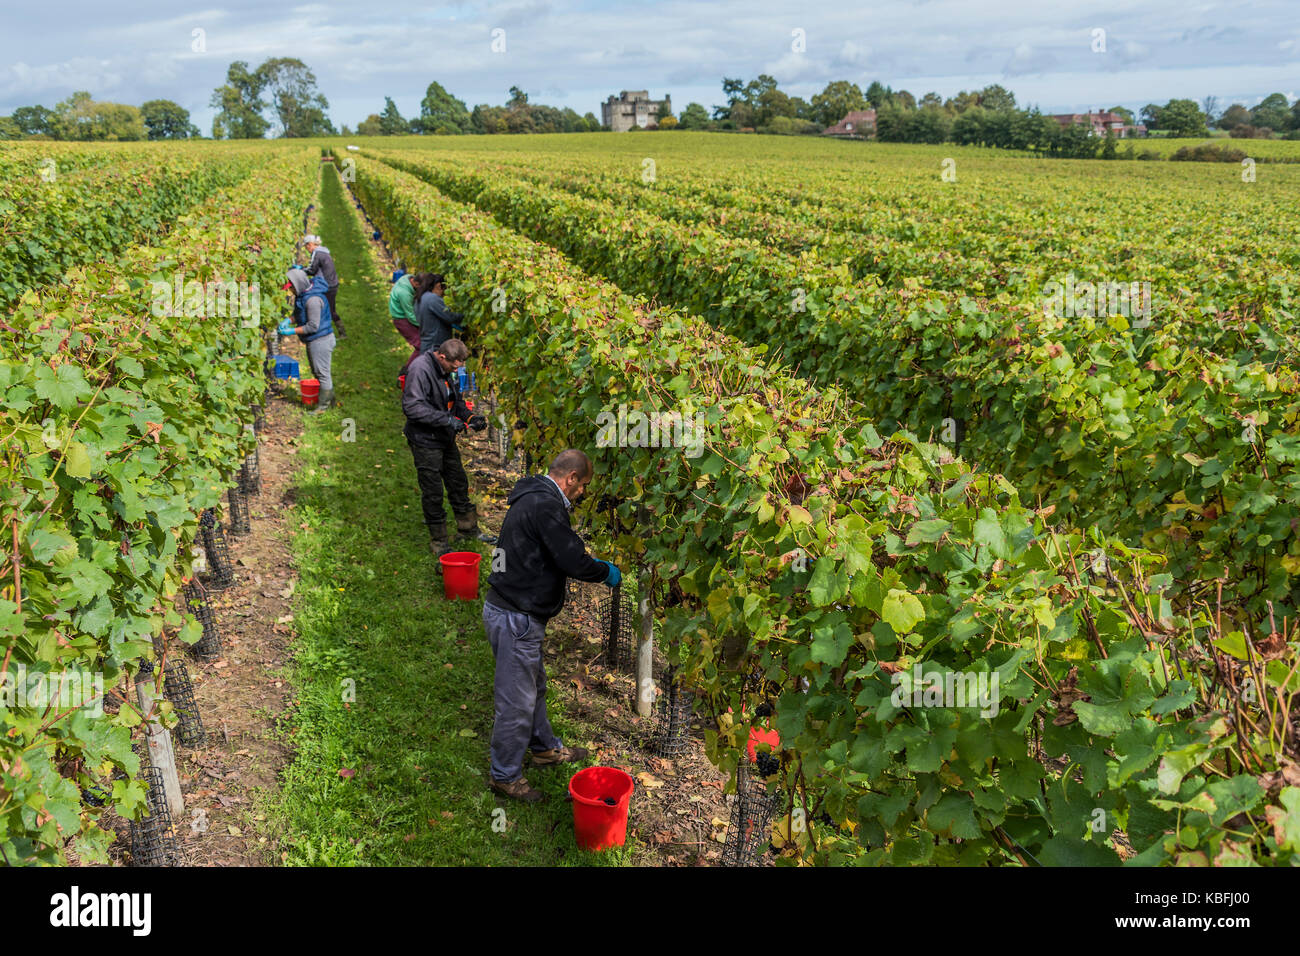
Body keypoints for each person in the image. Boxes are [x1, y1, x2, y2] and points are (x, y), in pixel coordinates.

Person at [481, 450, 623, 802]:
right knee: (516, 702)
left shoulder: (532, 495)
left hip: (513, 611)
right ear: (571, 478)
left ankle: (544, 748)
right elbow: (569, 556)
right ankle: (505, 777)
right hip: (516, 616)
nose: (583, 494)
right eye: (583, 486)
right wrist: (602, 571)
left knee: (534, 687)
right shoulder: (545, 505)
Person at [401, 337, 492, 554]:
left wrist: (470, 418)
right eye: (453, 365)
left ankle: (468, 529)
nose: (456, 369)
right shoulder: (420, 370)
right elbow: (412, 407)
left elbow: (454, 401)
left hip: (444, 437)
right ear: (442, 357)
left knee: (458, 482)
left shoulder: (444, 369)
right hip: (425, 440)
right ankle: (439, 542)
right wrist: (446, 420)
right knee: (433, 490)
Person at [279, 267, 336, 412]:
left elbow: (312, 326)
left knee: (322, 373)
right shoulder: (304, 294)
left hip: (321, 340)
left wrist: (291, 330)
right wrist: (289, 319)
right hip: (315, 340)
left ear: (297, 284)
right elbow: (300, 314)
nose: (290, 291)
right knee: (318, 372)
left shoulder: (313, 300)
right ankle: (330, 400)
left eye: (291, 288)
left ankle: (323, 407)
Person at [303, 234, 346, 339]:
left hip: (327, 286)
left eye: (306, 246)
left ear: (311, 244)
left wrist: (300, 270)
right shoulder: (324, 251)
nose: (306, 248)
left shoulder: (317, 253)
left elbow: (312, 270)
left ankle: (336, 333)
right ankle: (339, 332)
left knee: (327, 310)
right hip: (332, 284)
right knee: (329, 309)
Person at [415, 273, 463, 356]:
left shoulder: (420, 298)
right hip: (435, 346)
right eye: (444, 290)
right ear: (438, 285)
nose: (443, 295)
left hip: (427, 345)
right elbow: (450, 316)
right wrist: (465, 316)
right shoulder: (432, 299)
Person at [389, 268, 423, 368]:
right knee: (421, 345)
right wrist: (424, 324)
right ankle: (407, 372)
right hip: (402, 320)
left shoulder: (408, 277)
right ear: (416, 284)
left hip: (403, 316)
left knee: (424, 342)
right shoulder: (405, 294)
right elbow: (411, 316)